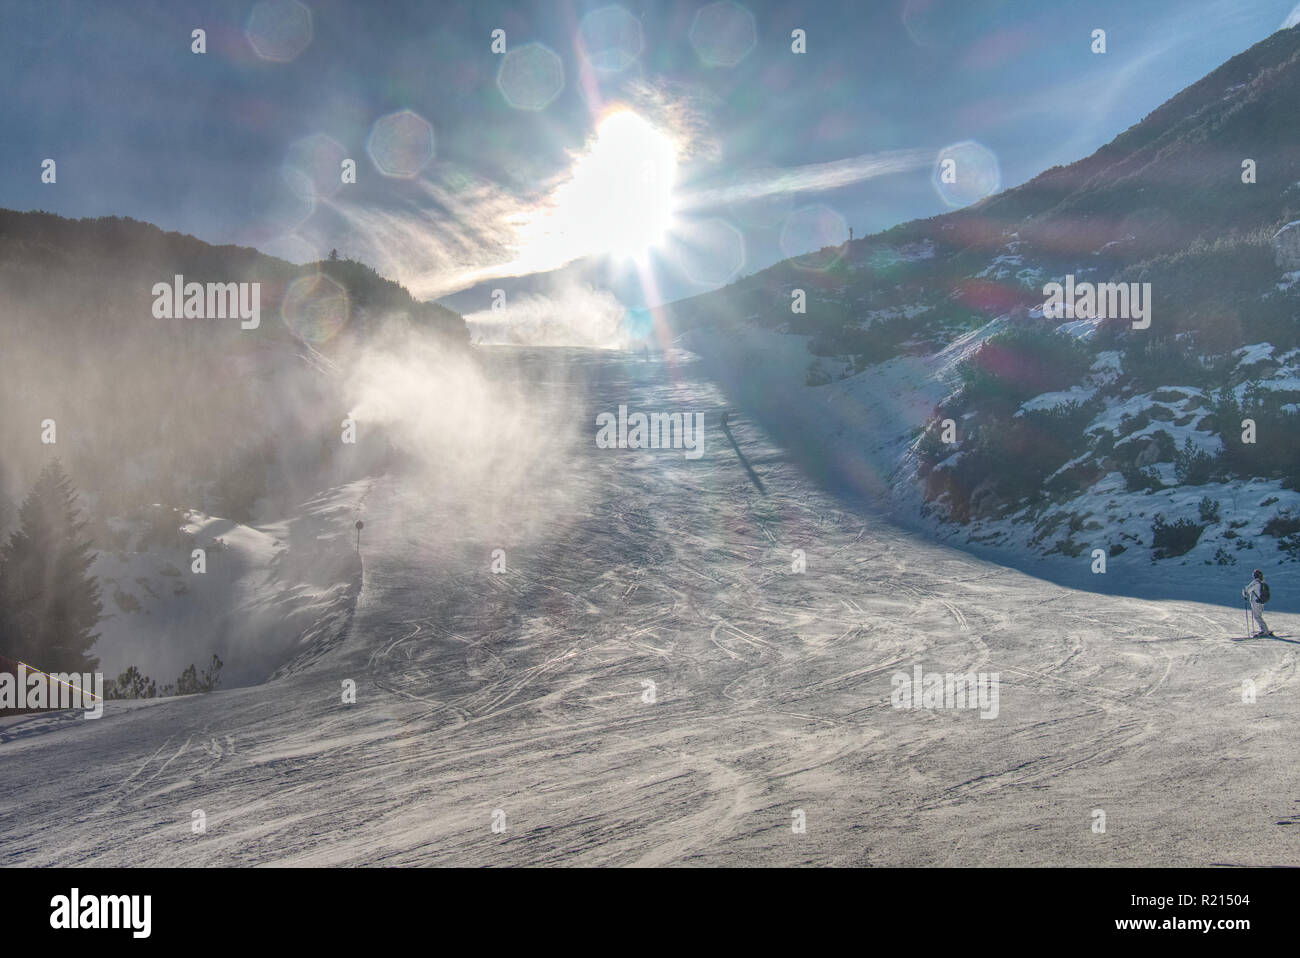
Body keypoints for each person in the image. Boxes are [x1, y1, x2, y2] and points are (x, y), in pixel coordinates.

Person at [1242, 569, 1273, 637]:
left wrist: (1244, 593)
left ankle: (1265, 631)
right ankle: (1265, 629)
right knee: (1259, 616)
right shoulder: (1262, 583)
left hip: (1256, 602)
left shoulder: (1255, 583)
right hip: (1261, 602)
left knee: (1257, 616)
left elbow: (1248, 590)